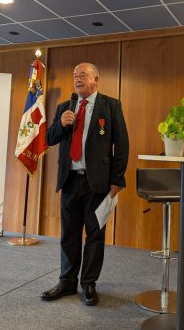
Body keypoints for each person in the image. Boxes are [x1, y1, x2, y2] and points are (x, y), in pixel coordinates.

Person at [41, 62, 129, 306]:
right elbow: (49, 138)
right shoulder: (64, 107)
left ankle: (88, 283)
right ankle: (67, 282)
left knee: (94, 235)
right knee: (68, 235)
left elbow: (122, 145)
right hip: (70, 181)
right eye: (74, 76)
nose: (77, 79)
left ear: (95, 80)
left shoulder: (110, 106)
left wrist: (117, 179)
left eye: (82, 75)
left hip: (98, 184)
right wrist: (61, 123)